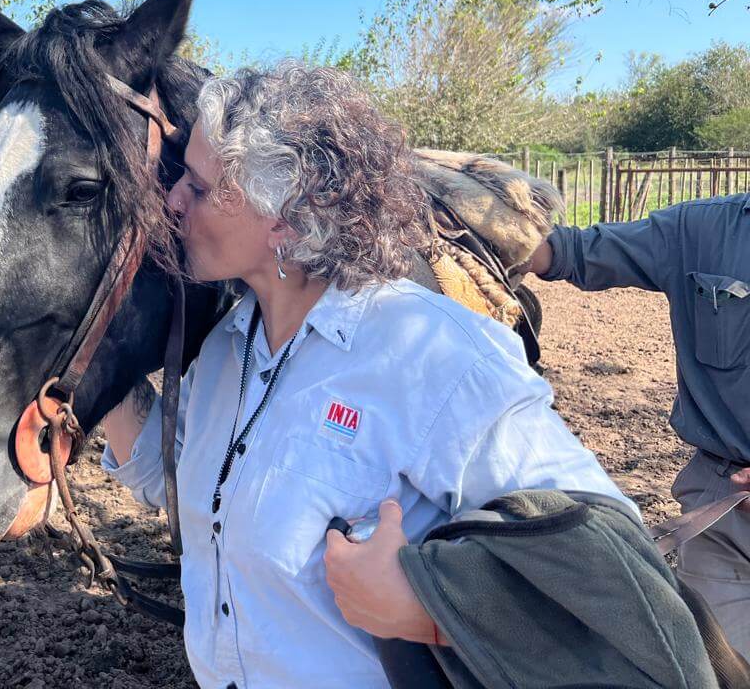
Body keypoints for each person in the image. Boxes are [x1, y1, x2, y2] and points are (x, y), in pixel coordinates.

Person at [100, 62, 634, 689]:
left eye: (198, 183)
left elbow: (610, 565)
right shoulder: (227, 351)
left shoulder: (437, 357)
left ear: (286, 217)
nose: (172, 199)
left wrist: (433, 609)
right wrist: (92, 369)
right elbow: (187, 484)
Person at [526, 189, 750, 655]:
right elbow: (574, 251)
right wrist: (478, 224)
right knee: (716, 665)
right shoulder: (699, 229)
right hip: (724, 502)